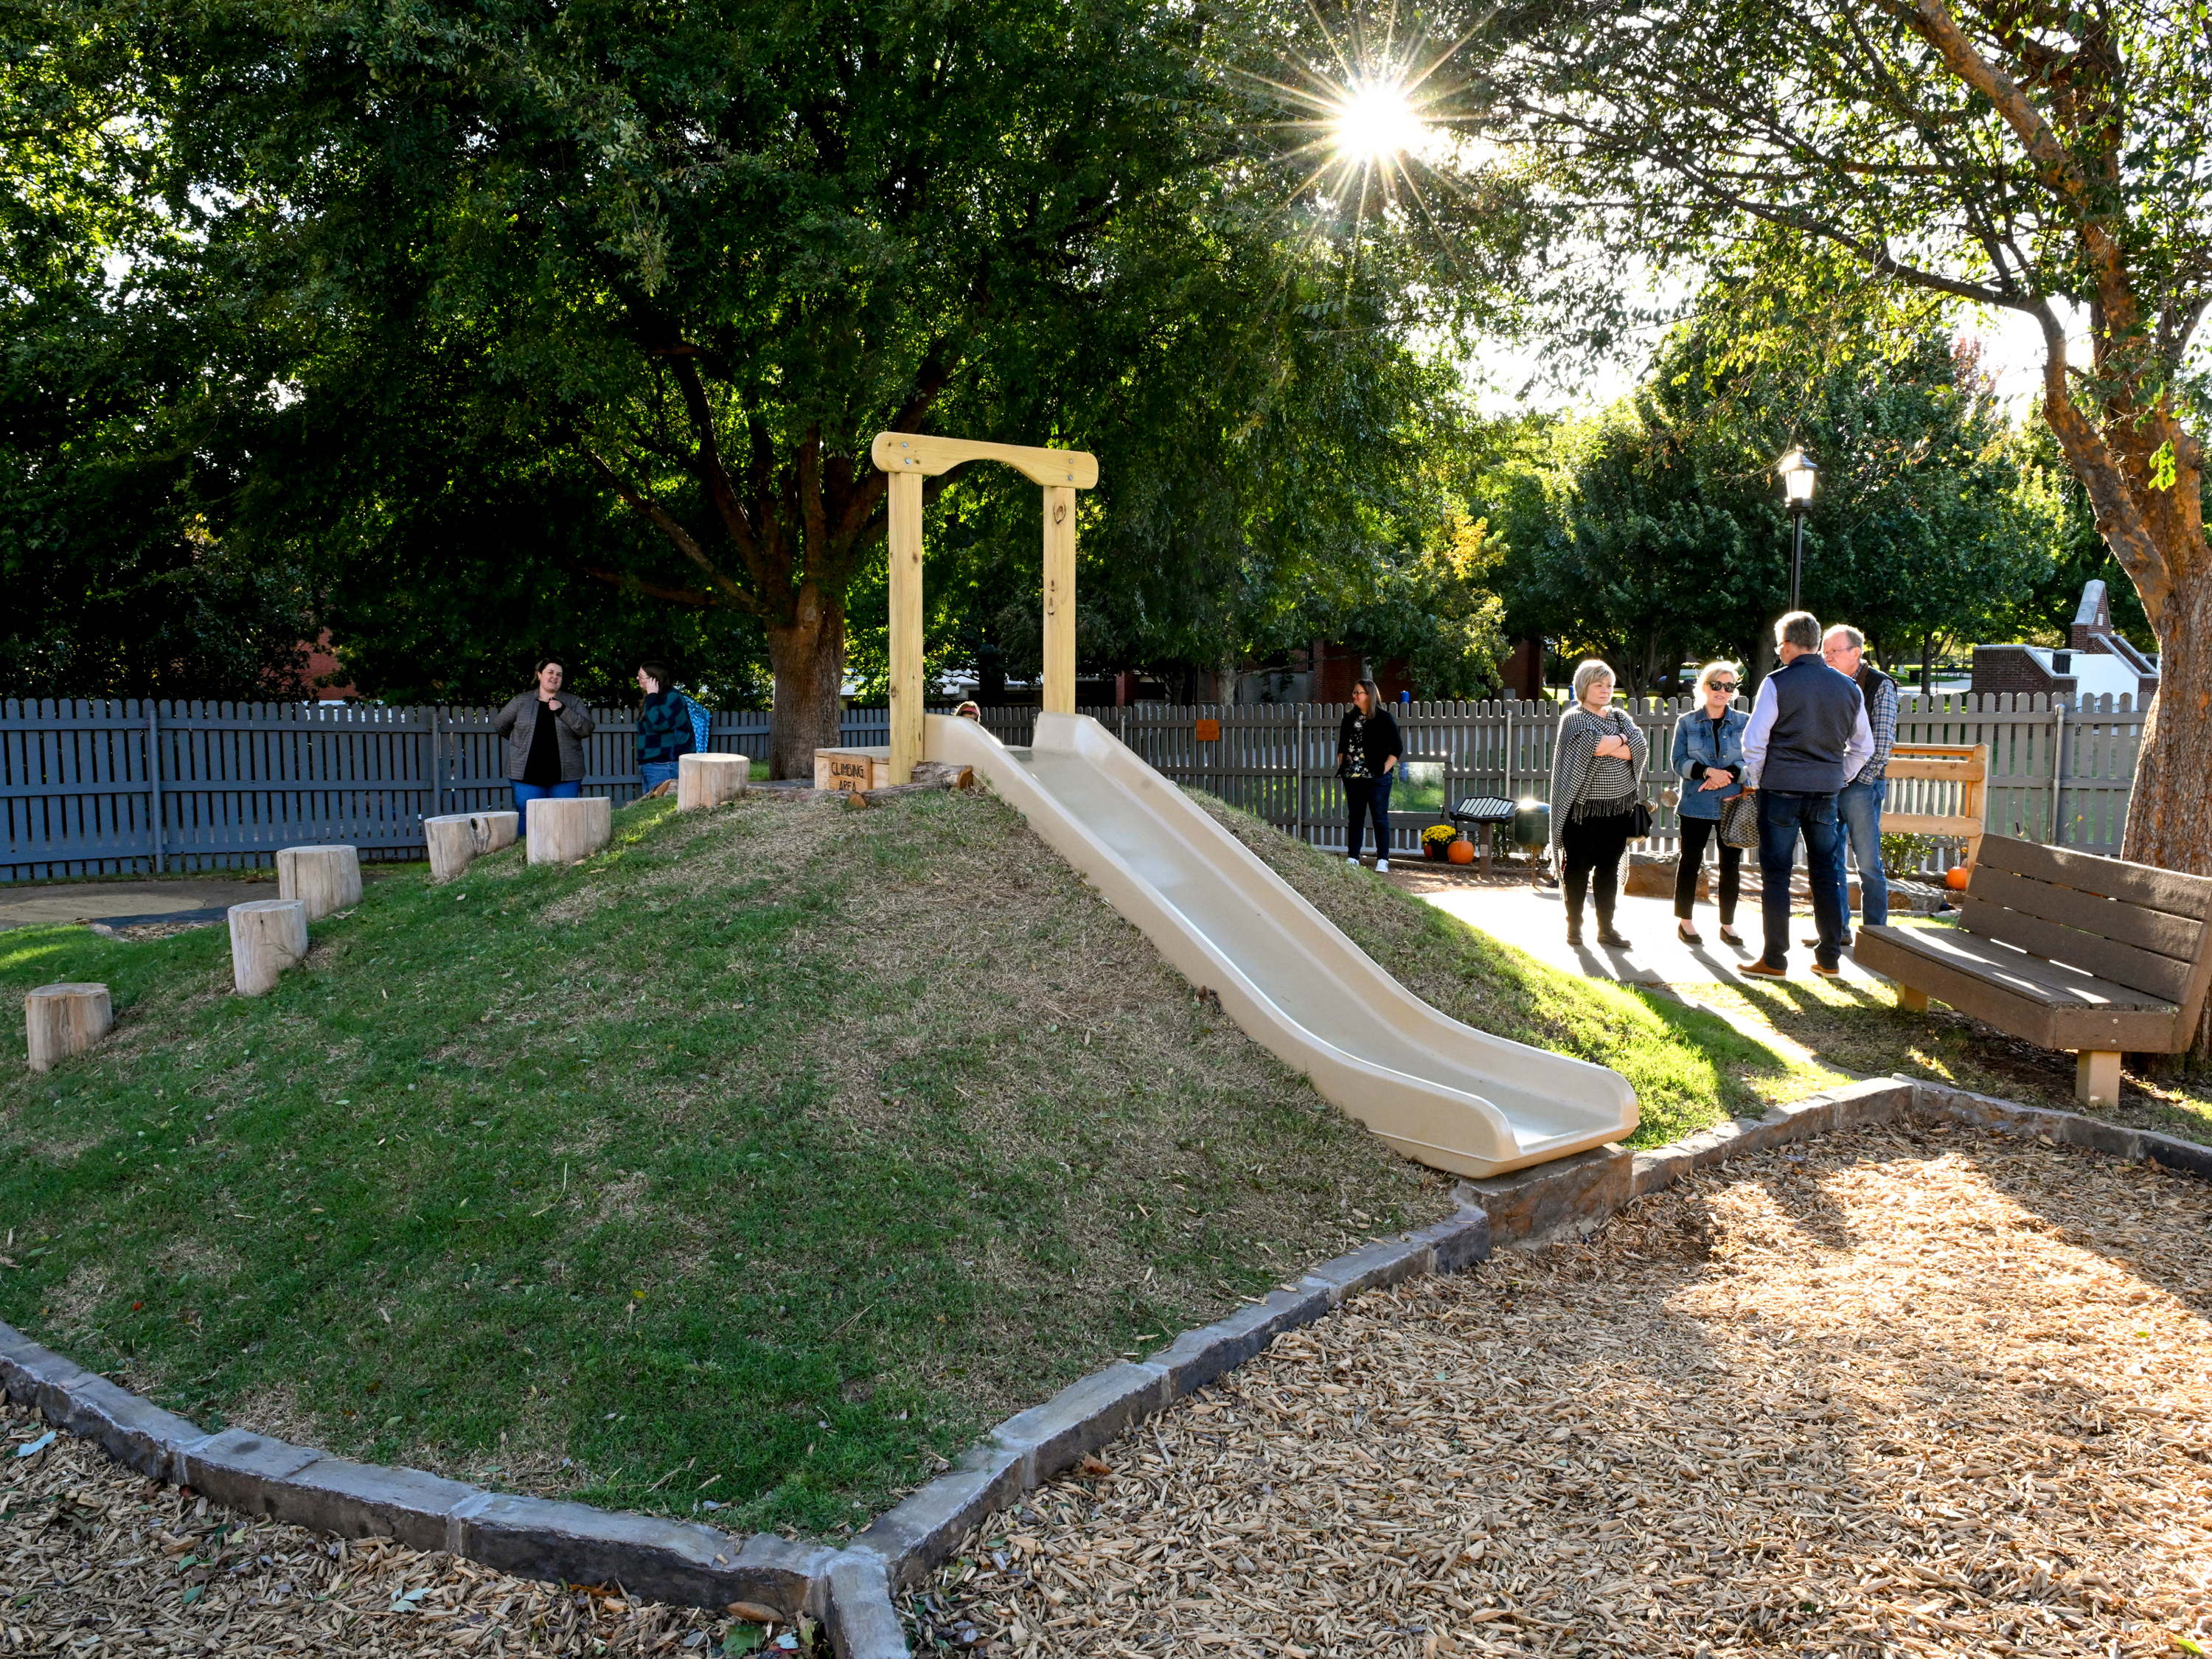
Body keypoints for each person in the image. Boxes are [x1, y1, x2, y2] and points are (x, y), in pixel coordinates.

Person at [1740, 611, 1873, 979]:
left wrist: (1762, 777)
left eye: (1779, 645)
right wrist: (1838, 776)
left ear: (1786, 645)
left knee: (1777, 874)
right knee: (1826, 873)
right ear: (1816, 643)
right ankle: (1829, 958)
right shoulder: (1849, 687)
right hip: (1825, 791)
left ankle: (1774, 958)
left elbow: (1755, 742)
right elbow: (1864, 747)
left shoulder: (1777, 682)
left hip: (1780, 789)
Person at [1549, 659, 1647, 948]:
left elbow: (1640, 748)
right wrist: (1620, 740)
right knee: (1577, 869)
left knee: (1608, 870)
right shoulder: (1574, 719)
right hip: (1581, 811)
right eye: (1598, 685)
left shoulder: (1618, 715)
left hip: (1617, 810)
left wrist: (1612, 742)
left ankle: (1606, 929)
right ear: (1584, 687)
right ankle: (1574, 928)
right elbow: (1595, 747)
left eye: (1609, 685)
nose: (1606, 690)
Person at [1809, 624, 1896, 948]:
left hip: (1861, 785)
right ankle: (1836, 931)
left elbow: (1884, 741)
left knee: (1869, 863)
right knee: (1829, 859)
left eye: (1834, 651)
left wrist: (1859, 779)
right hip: (1829, 781)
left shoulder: (1879, 685)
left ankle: (1877, 936)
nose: (1827, 656)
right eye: (1825, 651)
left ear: (1856, 653)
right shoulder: (1825, 683)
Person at [1669, 661, 1748, 945]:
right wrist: (1707, 772)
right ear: (1704, 687)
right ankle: (1685, 922)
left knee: (1731, 864)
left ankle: (1728, 924)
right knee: (1690, 861)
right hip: (1695, 802)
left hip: (1733, 802)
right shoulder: (1687, 722)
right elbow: (1678, 761)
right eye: (1717, 685)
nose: (1722, 691)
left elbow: (1753, 759)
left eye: (1729, 686)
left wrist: (1727, 775)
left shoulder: (1744, 722)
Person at [494, 659, 596, 824]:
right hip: (526, 775)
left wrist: (562, 709)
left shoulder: (573, 702)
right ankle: (527, 850)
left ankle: (565, 851)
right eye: (550, 672)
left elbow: (586, 729)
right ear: (539, 674)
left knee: (564, 818)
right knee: (529, 818)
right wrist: (520, 742)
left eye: (559, 674)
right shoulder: (521, 702)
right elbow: (500, 725)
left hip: (566, 776)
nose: (555, 677)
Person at [1336, 677, 1402, 872]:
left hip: (1377, 778)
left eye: (1358, 692)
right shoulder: (1348, 718)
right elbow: (1342, 745)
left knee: (1379, 817)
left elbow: (1397, 748)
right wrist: (1343, 765)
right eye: (1354, 692)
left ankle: (1383, 859)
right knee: (1355, 817)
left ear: (1369, 695)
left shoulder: (1384, 718)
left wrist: (1384, 769)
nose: (1354, 696)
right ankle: (1353, 857)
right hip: (1353, 777)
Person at [633, 661, 694, 795]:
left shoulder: (672, 697)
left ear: (654, 679)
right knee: (650, 809)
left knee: (659, 809)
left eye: (641, 676)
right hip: (653, 764)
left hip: (665, 765)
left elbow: (658, 724)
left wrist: (652, 695)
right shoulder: (655, 699)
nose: (638, 678)